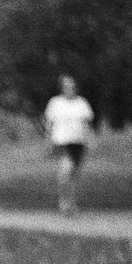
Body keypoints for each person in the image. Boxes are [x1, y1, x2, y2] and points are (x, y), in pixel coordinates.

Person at [43, 75, 95, 214]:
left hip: (78, 142)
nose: (69, 88)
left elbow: (86, 123)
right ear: (62, 88)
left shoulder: (82, 103)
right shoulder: (55, 103)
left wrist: (90, 139)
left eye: (71, 86)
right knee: (66, 170)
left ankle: (71, 202)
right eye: (66, 86)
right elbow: (49, 123)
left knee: (73, 174)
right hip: (61, 141)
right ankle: (64, 202)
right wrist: (48, 141)